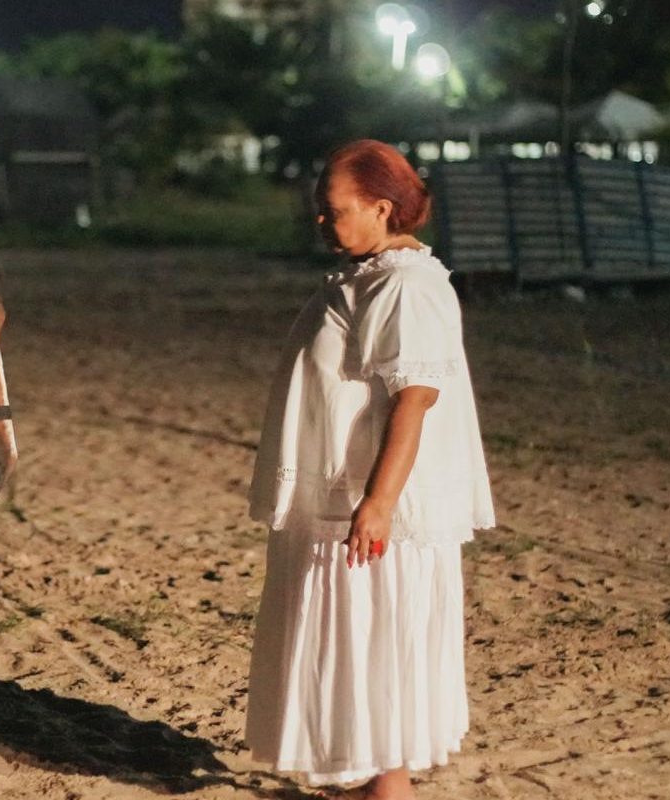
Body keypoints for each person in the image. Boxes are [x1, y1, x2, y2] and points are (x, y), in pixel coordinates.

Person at [244, 140, 495, 799]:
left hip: (371, 513)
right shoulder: (370, 275)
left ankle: (385, 790)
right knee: (356, 668)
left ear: (382, 209)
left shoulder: (406, 286)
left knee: (377, 666)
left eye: (333, 210)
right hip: (343, 503)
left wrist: (379, 503)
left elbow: (416, 398)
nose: (320, 221)